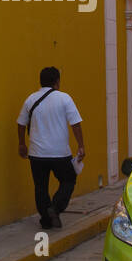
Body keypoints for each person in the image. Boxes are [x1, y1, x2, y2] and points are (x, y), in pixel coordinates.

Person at [17, 66, 85, 228]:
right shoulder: (65, 98)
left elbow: (20, 123)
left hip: (36, 153)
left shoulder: (30, 99)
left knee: (40, 187)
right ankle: (55, 208)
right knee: (68, 180)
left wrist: (21, 144)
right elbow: (75, 124)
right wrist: (81, 145)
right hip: (60, 153)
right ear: (57, 81)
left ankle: (46, 219)